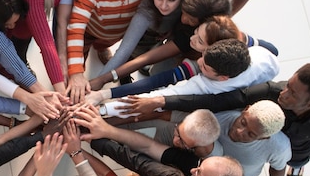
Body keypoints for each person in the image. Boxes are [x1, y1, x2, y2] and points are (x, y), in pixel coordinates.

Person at [159, 63, 310, 176]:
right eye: (288, 85)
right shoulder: (270, 91)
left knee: (296, 159)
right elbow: (215, 101)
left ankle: (297, 167)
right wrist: (162, 102)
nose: (284, 93)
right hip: (256, 139)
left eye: (293, 94)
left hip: (298, 144)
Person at [94, 38, 280, 119]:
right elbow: (274, 50)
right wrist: (103, 93)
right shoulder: (264, 56)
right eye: (203, 56)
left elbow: (158, 97)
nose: (199, 62)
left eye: (205, 67)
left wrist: (103, 109)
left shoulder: (209, 87)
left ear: (222, 78)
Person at [89, 14, 277, 93]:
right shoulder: (237, 37)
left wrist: (109, 93)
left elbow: (154, 83)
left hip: (195, 75)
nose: (193, 39)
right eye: (197, 32)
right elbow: (144, 59)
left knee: (157, 76)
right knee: (153, 67)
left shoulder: (203, 66)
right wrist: (104, 78)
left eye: (200, 42)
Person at [65, 0, 154, 102]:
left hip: (116, 34)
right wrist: (76, 73)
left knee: (103, 45)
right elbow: (76, 29)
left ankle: (101, 49)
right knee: (78, 62)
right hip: (90, 30)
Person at [96, 0, 193, 85]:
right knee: (134, 54)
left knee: (157, 65)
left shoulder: (191, 7)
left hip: (173, 36)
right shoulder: (146, 9)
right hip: (148, 36)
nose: (164, 6)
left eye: (171, 0)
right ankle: (124, 74)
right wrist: (98, 81)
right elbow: (124, 50)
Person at [74, 104, 221, 176]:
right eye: (178, 131)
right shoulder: (187, 121)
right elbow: (149, 145)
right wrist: (106, 126)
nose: (175, 140)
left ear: (198, 147)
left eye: (182, 141)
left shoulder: (203, 164)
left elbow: (142, 160)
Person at [215, 100, 290, 176]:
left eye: (251, 134)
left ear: (264, 138)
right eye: (243, 122)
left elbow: (278, 167)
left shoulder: (279, 146)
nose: (239, 131)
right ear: (245, 110)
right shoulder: (218, 119)